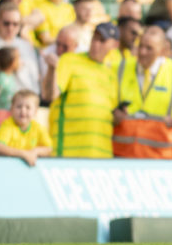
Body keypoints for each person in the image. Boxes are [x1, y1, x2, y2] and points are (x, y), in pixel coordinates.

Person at [112, 25, 172, 158]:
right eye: (140, 46)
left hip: (161, 157)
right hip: (124, 155)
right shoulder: (120, 67)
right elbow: (106, 102)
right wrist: (114, 114)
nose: (142, 52)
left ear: (163, 51)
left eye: (149, 48)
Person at [47, 21, 119, 158]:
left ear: (115, 45)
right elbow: (51, 95)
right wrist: (52, 70)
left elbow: (111, 113)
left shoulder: (112, 73)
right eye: (94, 39)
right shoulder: (69, 60)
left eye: (102, 41)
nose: (96, 44)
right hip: (68, 153)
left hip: (101, 155)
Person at [0, 2, 41, 96]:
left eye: (15, 24)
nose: (11, 28)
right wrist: (8, 67)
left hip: (27, 99)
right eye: (6, 23)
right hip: (2, 101)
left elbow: (36, 78)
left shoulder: (26, 45)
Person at [0, 89, 52, 167]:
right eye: (19, 106)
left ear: (36, 111)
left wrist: (35, 152)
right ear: (11, 109)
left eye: (28, 107)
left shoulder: (39, 128)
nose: (23, 111)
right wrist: (24, 154)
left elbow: (49, 149)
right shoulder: (8, 125)